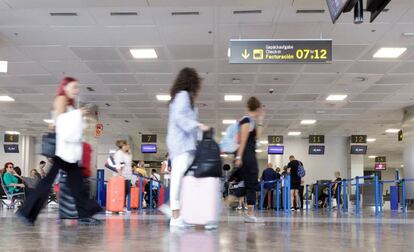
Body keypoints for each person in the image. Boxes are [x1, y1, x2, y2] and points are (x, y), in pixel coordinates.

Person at [16, 76, 102, 225]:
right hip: (63, 151)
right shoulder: (61, 99)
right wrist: (78, 114)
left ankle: (83, 214)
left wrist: (80, 115)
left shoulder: (69, 103)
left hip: (69, 152)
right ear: (65, 87)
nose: (77, 90)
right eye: (74, 87)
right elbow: (60, 122)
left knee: (77, 184)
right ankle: (25, 212)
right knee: (49, 183)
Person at [164, 67, 210, 227]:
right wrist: (198, 125)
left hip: (186, 144)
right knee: (178, 177)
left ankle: (177, 213)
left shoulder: (185, 97)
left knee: (184, 179)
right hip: (181, 144)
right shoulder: (182, 95)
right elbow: (180, 118)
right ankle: (175, 216)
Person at [235, 96, 265, 223]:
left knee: (247, 185)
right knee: (250, 185)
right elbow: (243, 140)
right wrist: (239, 157)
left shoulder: (251, 121)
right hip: (247, 157)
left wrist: (261, 121)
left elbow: (257, 138)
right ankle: (250, 214)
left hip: (249, 156)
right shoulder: (246, 120)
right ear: (257, 108)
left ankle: (250, 213)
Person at [114, 140, 133, 212]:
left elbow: (129, 163)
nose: (128, 146)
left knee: (126, 191)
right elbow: (119, 165)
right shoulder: (119, 153)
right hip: (121, 176)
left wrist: (129, 153)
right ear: (123, 146)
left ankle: (121, 206)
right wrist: (120, 175)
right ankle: (118, 207)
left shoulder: (126, 153)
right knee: (121, 192)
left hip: (127, 176)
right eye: (127, 145)